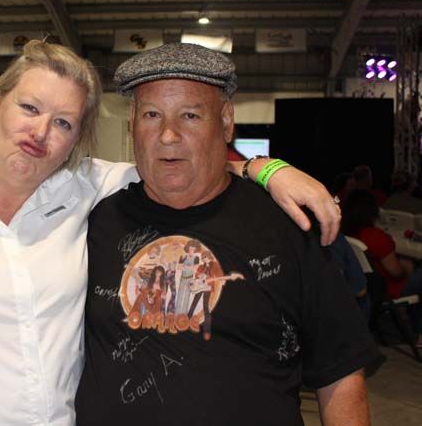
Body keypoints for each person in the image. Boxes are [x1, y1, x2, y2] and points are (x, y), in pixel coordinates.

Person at [0, 41, 341, 426]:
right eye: (29, 107)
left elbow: (182, 160)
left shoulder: (85, 191)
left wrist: (267, 168)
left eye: (64, 123)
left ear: (76, 140)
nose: (40, 132)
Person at [75, 43, 381, 426]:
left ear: (225, 122)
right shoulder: (94, 220)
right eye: (152, 114)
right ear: (132, 123)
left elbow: (340, 371)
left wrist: (264, 168)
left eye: (190, 115)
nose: (168, 135)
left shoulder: (286, 225)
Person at [342, 189, 422, 348]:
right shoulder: (376, 237)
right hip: (388, 288)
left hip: (363, 284)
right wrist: (407, 267)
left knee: (418, 269)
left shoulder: (346, 234)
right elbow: (396, 273)